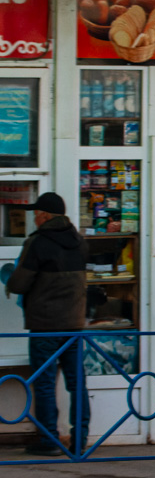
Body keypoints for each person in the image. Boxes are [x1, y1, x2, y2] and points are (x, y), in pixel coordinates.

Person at [5, 192, 87, 456]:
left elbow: (19, 283)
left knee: (44, 382)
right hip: (74, 325)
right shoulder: (79, 241)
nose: (34, 219)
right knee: (76, 383)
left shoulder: (37, 243)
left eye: (36, 214)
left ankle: (49, 440)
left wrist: (7, 276)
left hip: (45, 326)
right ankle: (81, 440)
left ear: (45, 216)